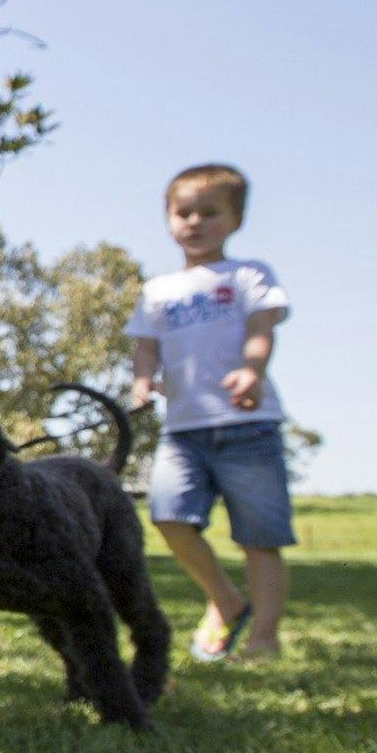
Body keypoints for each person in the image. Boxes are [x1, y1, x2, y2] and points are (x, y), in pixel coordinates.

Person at [127, 163, 294, 662]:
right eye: (184, 212)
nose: (195, 222)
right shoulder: (157, 291)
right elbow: (145, 347)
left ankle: (264, 638)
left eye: (209, 212)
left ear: (236, 219)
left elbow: (263, 327)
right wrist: (140, 382)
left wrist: (252, 369)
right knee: (169, 515)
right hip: (183, 430)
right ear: (169, 218)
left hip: (248, 426)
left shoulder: (248, 274)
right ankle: (224, 597)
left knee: (260, 538)